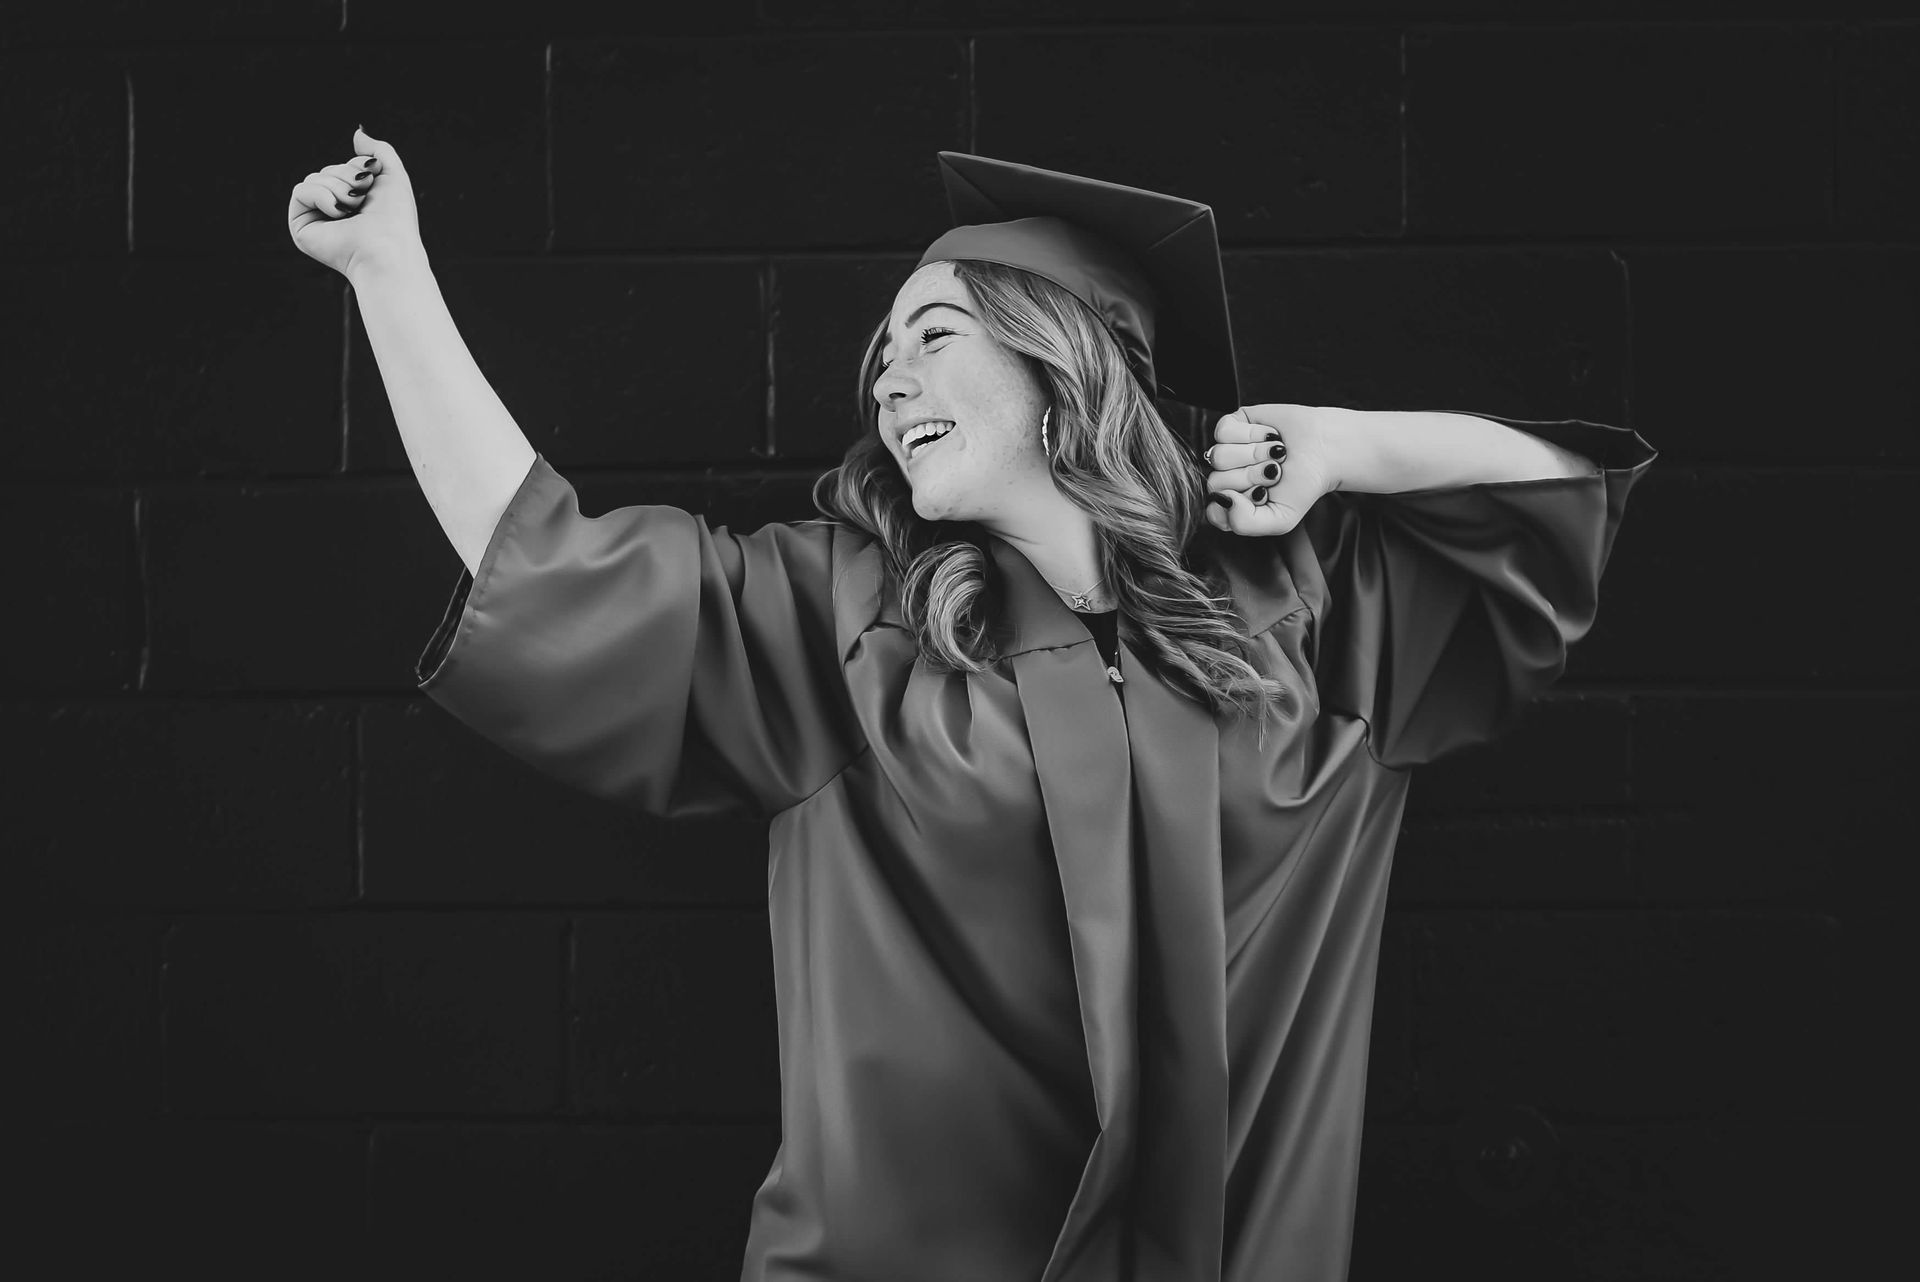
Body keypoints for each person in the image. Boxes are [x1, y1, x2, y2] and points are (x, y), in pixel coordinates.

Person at [290, 131, 1657, 1281]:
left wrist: (1352, 446)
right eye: (881, 355)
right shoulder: (841, 625)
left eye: (935, 335)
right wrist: (387, 273)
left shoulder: (1320, 616)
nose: (888, 377)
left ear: (1071, 357)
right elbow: (549, 553)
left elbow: (1547, 516)